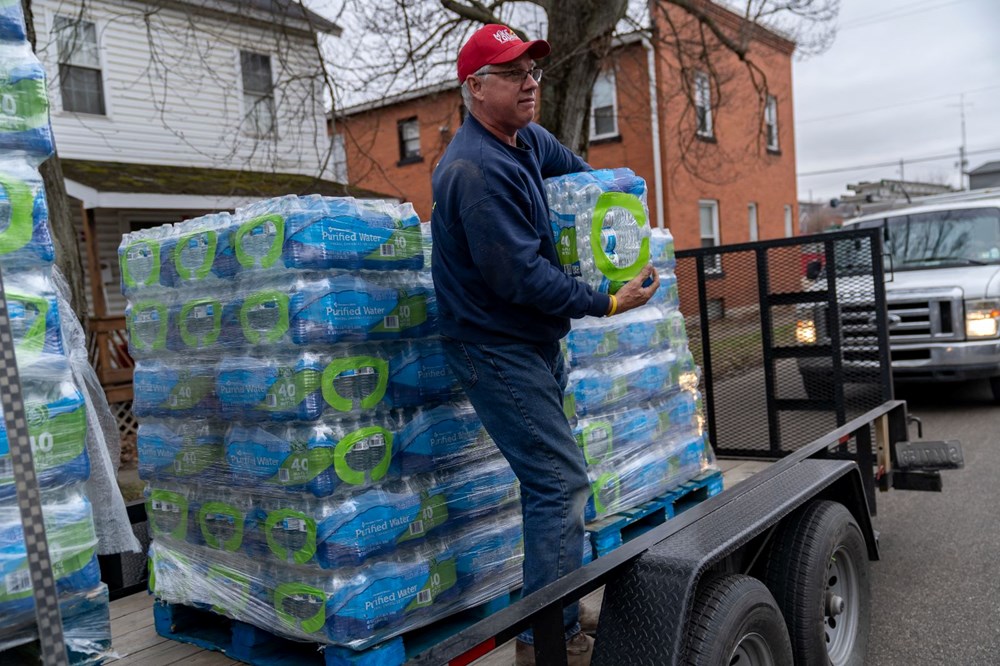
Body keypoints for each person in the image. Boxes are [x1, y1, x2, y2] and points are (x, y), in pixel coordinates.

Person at [429, 23, 660, 666]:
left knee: (548, 483)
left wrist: (618, 209)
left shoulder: (523, 139)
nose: (531, 83)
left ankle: (552, 611)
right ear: (476, 88)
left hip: (529, 342)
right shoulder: (476, 170)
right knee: (559, 482)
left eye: (534, 72)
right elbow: (522, 278)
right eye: (513, 74)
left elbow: (583, 182)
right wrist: (609, 300)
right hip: (493, 348)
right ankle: (546, 641)